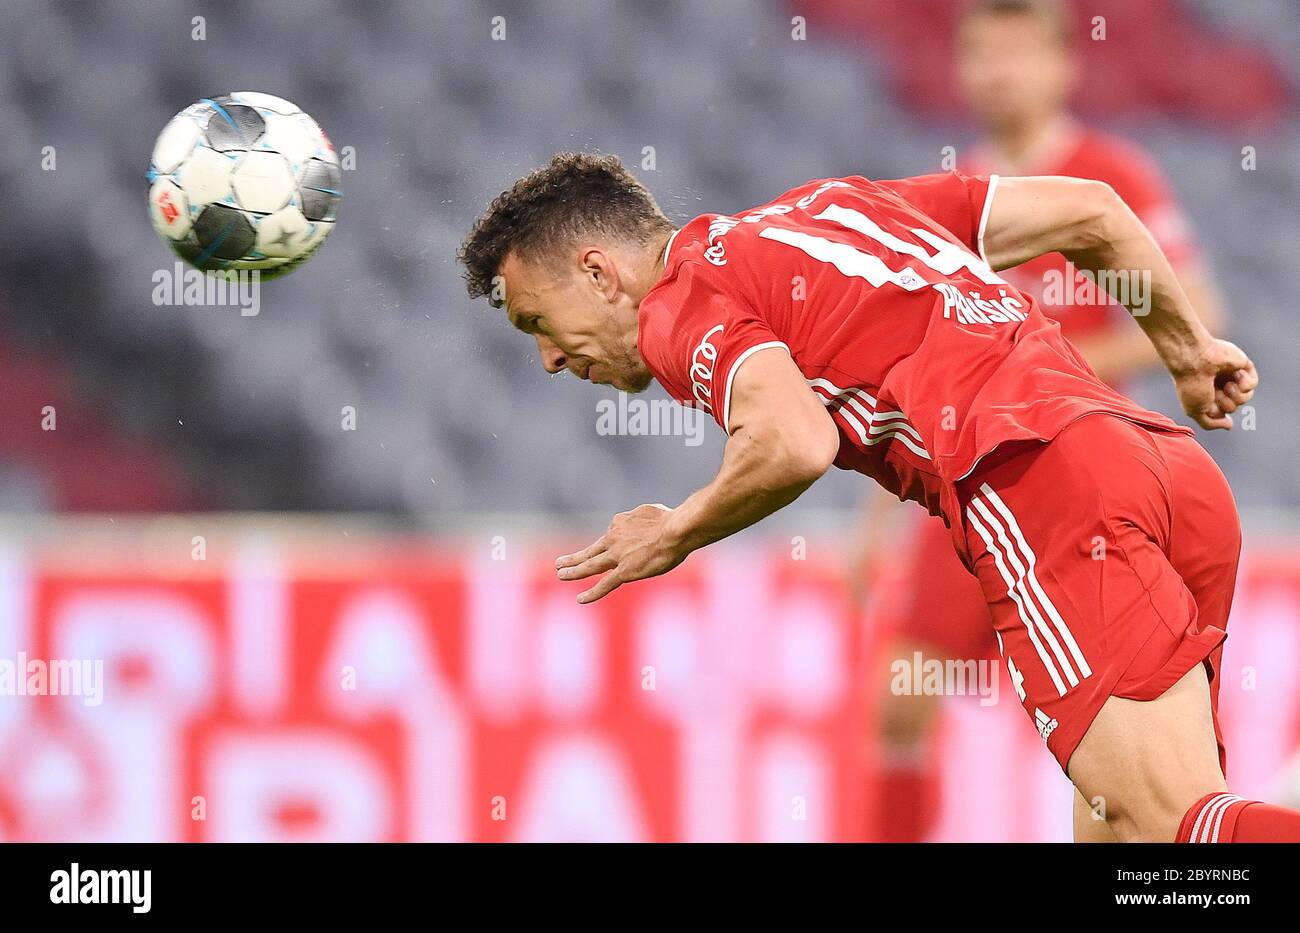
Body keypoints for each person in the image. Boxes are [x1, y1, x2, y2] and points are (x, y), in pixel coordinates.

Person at [457, 149, 1289, 842]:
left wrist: (676, 529)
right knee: (1128, 839)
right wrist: (1187, 351)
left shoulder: (676, 304)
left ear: (600, 273)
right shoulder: (836, 208)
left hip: (1042, 483)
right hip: (1167, 469)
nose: (549, 361)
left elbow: (794, 440)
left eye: (534, 321)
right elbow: (1093, 214)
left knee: (1172, 826)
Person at [848, 0, 1227, 842]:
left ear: (1063, 67)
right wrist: (879, 516)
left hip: (1078, 487)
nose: (998, 72)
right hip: (969, 490)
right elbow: (909, 368)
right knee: (898, 702)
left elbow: (1195, 306)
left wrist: (1056, 370)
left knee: (1108, 746)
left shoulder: (1106, 179)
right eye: (981, 54)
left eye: (1017, 54)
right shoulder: (954, 197)